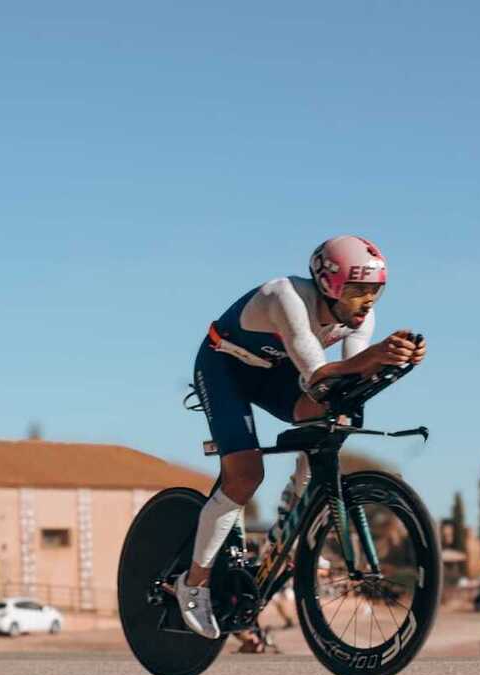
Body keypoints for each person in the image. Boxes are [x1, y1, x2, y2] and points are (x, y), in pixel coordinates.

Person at [177, 235, 426, 639]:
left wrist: (397, 360)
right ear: (329, 284)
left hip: (276, 374)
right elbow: (317, 374)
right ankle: (195, 581)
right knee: (245, 475)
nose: (367, 302)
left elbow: (346, 381)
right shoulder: (285, 296)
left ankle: (297, 509)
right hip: (226, 368)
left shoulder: (361, 320)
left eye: (374, 292)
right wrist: (377, 355)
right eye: (358, 290)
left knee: (337, 410)